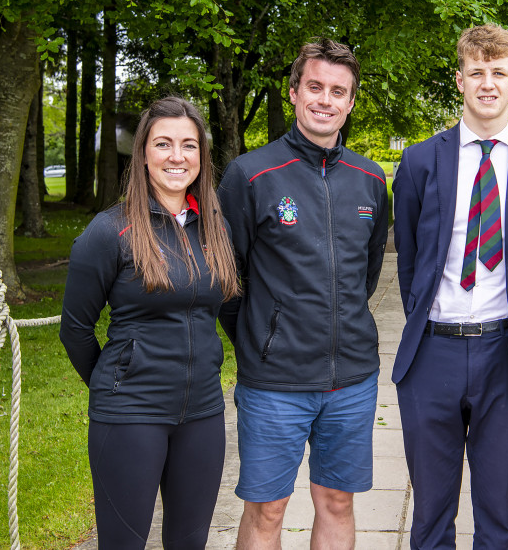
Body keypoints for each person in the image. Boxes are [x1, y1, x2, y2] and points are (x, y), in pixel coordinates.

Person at [392, 24, 508, 548]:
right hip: (433, 353)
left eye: (498, 73)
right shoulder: (422, 160)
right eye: (477, 72)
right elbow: (409, 256)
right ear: (459, 80)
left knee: (499, 516)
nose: (487, 83)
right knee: (429, 515)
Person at [217, 38, 389, 549]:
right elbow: (228, 282)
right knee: (267, 509)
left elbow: (367, 273)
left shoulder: (371, 179)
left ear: (351, 103)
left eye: (339, 91)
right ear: (293, 92)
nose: (325, 99)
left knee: (337, 501)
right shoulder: (250, 175)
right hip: (275, 381)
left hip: (352, 379)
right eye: (315, 86)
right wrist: (262, 340)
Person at [61, 96, 240, 549]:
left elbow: (222, 306)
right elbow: (76, 329)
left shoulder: (216, 227)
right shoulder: (110, 231)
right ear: (143, 153)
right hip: (130, 416)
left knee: (190, 542)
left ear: (202, 155)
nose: (176, 157)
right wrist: (116, 379)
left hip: (202, 412)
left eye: (188, 145)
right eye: (163, 144)